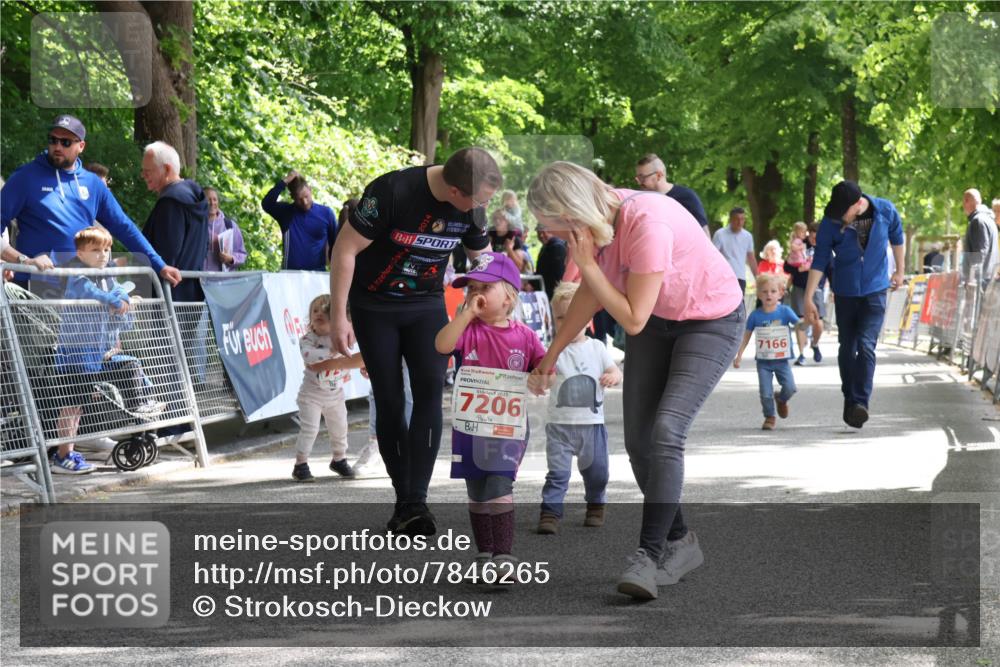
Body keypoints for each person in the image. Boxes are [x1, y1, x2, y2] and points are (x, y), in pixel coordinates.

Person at [527, 161, 745, 600]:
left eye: (554, 229)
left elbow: (630, 316)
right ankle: (681, 542)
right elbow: (592, 293)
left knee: (666, 432)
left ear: (572, 214)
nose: (554, 239)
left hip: (710, 320)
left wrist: (586, 263)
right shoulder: (594, 225)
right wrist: (551, 355)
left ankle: (647, 557)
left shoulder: (647, 221)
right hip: (657, 322)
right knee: (639, 443)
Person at [329, 146, 502, 536]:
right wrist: (340, 315)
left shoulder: (472, 206)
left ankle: (417, 502)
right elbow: (345, 248)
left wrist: (495, 303)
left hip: (425, 304)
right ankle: (403, 496)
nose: (481, 209)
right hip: (375, 305)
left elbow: (483, 259)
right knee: (390, 399)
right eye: (478, 201)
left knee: (428, 394)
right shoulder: (393, 191)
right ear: (455, 192)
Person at [434, 252, 546, 575]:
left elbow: (541, 367)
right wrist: (466, 314)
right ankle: (484, 552)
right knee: (476, 490)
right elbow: (442, 345)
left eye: (484, 287)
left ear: (509, 294)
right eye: (470, 289)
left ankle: (504, 554)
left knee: (499, 483)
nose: (475, 294)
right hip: (471, 426)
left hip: (507, 425)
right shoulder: (468, 330)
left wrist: (541, 379)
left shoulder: (523, 335)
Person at [0, 114, 181, 292]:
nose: (57, 147)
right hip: (35, 288)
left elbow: (124, 227)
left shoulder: (92, 184)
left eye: (65, 142)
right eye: (53, 140)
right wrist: (22, 260)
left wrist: (159, 265)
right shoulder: (25, 177)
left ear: (81, 146)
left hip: (80, 290)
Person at [52, 227, 162, 473]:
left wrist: (122, 301)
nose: (103, 255)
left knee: (129, 364)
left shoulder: (106, 275)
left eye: (106, 249)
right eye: (96, 250)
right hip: (76, 355)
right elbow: (89, 292)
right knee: (72, 406)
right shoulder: (77, 275)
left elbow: (119, 290)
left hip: (99, 353)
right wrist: (114, 301)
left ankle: (141, 403)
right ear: (81, 254)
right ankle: (63, 455)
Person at [804, 180, 905, 429]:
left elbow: (897, 238)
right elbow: (820, 258)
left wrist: (900, 271)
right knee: (847, 347)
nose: (839, 216)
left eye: (843, 211)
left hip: (875, 290)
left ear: (858, 204)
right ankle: (850, 397)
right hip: (846, 291)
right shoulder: (831, 222)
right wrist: (808, 297)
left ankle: (860, 402)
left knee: (867, 346)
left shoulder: (885, 211)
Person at [536, 280, 620, 535]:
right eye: (561, 318)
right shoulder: (553, 349)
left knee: (597, 472)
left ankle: (596, 504)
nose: (568, 324)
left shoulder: (596, 347)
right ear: (553, 321)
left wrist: (613, 377)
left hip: (591, 425)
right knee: (557, 473)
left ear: (588, 320)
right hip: (559, 424)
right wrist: (544, 379)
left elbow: (614, 370)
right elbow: (545, 376)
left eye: (575, 317)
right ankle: (550, 513)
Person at [291, 294, 364, 482]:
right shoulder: (308, 339)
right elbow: (309, 356)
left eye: (325, 310)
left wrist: (359, 364)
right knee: (310, 428)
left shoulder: (341, 337)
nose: (319, 313)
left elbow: (355, 350)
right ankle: (300, 463)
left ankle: (339, 459)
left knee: (340, 427)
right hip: (311, 395)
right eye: (314, 311)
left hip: (335, 394)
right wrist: (330, 353)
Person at [140, 141, 209, 301]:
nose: (143, 175)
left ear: (167, 169)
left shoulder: (170, 202)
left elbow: (166, 253)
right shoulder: (193, 196)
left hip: (168, 295)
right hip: (191, 294)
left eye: (148, 171)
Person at [734, 273, 799, 430]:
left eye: (773, 291)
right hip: (764, 362)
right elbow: (746, 336)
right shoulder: (755, 316)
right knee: (765, 392)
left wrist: (808, 322)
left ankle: (781, 399)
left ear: (780, 293)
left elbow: (799, 325)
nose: (768, 294)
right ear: (758, 294)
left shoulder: (785, 312)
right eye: (764, 291)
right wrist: (739, 355)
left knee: (790, 387)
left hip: (782, 360)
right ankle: (769, 417)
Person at [262, 170, 338, 271]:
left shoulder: (326, 213)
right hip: (290, 274)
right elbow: (267, 204)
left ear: (310, 190)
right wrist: (286, 181)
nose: (305, 202)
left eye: (306, 196)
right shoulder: (286, 212)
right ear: (292, 197)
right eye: (299, 199)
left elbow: (336, 244)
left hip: (317, 274)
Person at [634, 153, 710, 237]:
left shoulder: (687, 197)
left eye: (642, 178)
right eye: (638, 178)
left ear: (659, 175)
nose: (639, 182)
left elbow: (704, 235)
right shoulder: (642, 202)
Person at [786, 224, 824, 365]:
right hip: (800, 287)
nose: (814, 236)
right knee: (800, 320)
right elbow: (787, 266)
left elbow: (831, 267)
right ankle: (801, 354)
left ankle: (814, 344)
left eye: (817, 233)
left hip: (817, 289)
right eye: (813, 232)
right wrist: (799, 268)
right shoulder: (801, 244)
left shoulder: (824, 247)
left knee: (818, 323)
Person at [712, 207, 758, 293]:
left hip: (740, 276)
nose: (740, 222)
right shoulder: (720, 234)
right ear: (731, 219)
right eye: (737, 219)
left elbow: (751, 258)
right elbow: (713, 256)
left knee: (739, 304)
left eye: (742, 219)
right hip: (723, 276)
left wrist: (757, 277)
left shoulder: (747, 236)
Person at [202, 187, 247, 272]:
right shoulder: (196, 225)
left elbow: (242, 254)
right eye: (208, 200)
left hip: (224, 281)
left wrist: (231, 259)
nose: (212, 203)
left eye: (215, 199)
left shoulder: (230, 226)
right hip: (199, 280)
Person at [961, 189, 998, 288]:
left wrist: (971, 279)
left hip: (979, 284)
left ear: (968, 201)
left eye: (965, 201)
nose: (963, 205)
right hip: (987, 280)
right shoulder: (988, 220)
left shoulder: (978, 221)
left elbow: (980, 253)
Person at [535, 223, 568, 300]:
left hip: (552, 294)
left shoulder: (556, 247)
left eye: (544, 232)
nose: (541, 235)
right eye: (539, 233)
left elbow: (558, 275)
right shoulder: (546, 246)